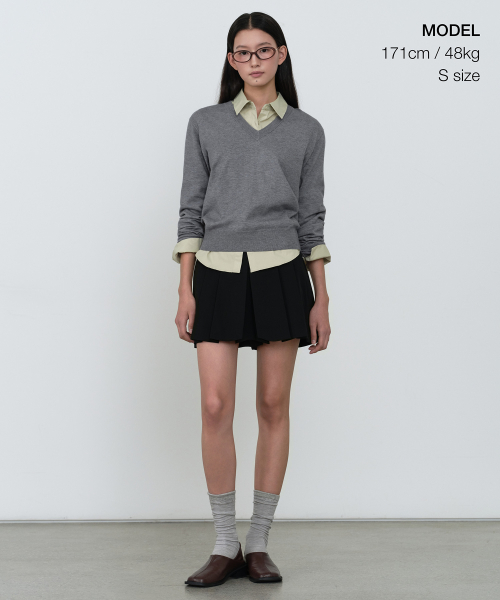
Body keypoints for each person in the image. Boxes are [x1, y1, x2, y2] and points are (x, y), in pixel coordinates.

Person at [172, 11, 331, 588]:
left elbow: (311, 217)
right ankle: (224, 544)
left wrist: (321, 297)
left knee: (272, 404)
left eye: (264, 50)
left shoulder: (306, 130)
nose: (254, 61)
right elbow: (191, 208)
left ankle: (258, 542)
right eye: (243, 52)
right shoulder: (205, 124)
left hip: (282, 273)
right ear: (231, 60)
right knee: (216, 406)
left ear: (281, 55)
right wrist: (185, 287)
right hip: (216, 273)